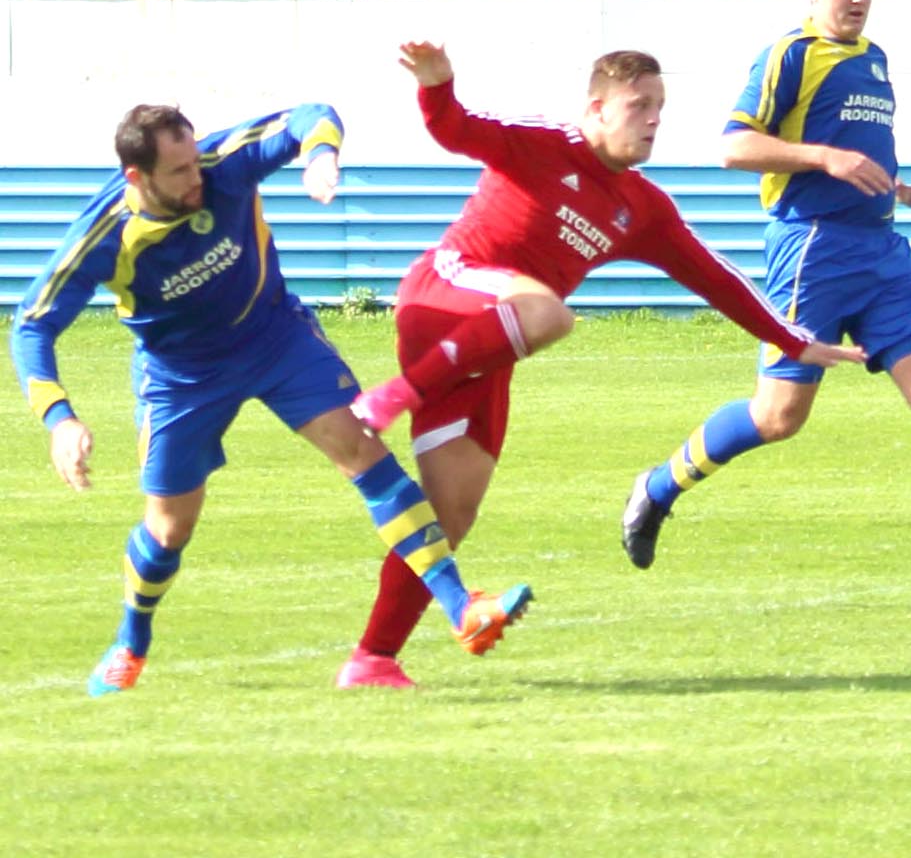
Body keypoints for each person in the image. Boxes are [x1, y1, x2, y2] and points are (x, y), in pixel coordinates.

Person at [338, 42, 864, 688]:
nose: (653, 118)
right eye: (638, 105)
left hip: (495, 343)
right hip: (443, 298)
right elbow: (455, 130)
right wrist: (436, 85)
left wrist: (789, 340)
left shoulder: (640, 206)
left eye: (659, 107)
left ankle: (372, 660)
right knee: (550, 313)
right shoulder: (541, 143)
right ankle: (391, 396)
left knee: (451, 513)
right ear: (596, 108)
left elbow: (713, 275)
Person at [10, 103, 531, 697]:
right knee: (168, 528)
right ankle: (131, 643)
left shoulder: (221, 163)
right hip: (183, 376)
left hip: (274, 337)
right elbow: (31, 327)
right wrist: (60, 419)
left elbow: (313, 115)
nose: (195, 179)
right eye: (178, 171)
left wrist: (320, 158)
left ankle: (462, 606)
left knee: (361, 450)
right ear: (138, 177)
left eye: (194, 161)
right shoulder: (104, 237)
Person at [621, 0, 911, 598]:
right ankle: (656, 487)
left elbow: (864, 155)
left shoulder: (875, 61)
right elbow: (733, 146)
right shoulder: (789, 56)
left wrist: (903, 190)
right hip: (811, 252)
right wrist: (823, 159)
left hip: (880, 250)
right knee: (779, 417)